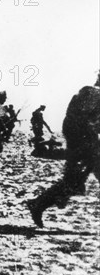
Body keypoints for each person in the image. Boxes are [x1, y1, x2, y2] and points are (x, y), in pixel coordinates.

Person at [27, 73, 100, 228]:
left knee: (75, 182)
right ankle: (39, 203)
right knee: (74, 182)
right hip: (85, 143)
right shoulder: (93, 93)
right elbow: (82, 120)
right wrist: (86, 145)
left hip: (85, 142)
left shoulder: (90, 92)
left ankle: (39, 203)